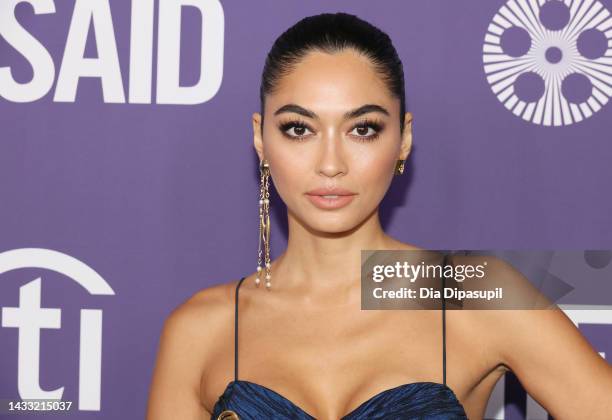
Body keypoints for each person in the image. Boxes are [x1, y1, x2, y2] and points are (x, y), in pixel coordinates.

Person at [146, 12, 612, 419]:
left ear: (403, 139)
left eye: (363, 129)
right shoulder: (200, 330)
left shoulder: (476, 293)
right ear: (261, 138)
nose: (331, 163)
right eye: (298, 129)